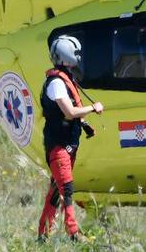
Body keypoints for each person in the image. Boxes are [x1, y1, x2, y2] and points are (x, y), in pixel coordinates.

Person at [38, 35, 104, 241]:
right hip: (58, 144)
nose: (79, 57)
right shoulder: (56, 83)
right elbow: (68, 112)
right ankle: (73, 232)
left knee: (56, 190)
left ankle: (43, 234)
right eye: (76, 53)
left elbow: (68, 113)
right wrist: (92, 109)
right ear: (68, 55)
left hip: (67, 143)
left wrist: (84, 124)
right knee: (66, 188)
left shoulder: (65, 79)